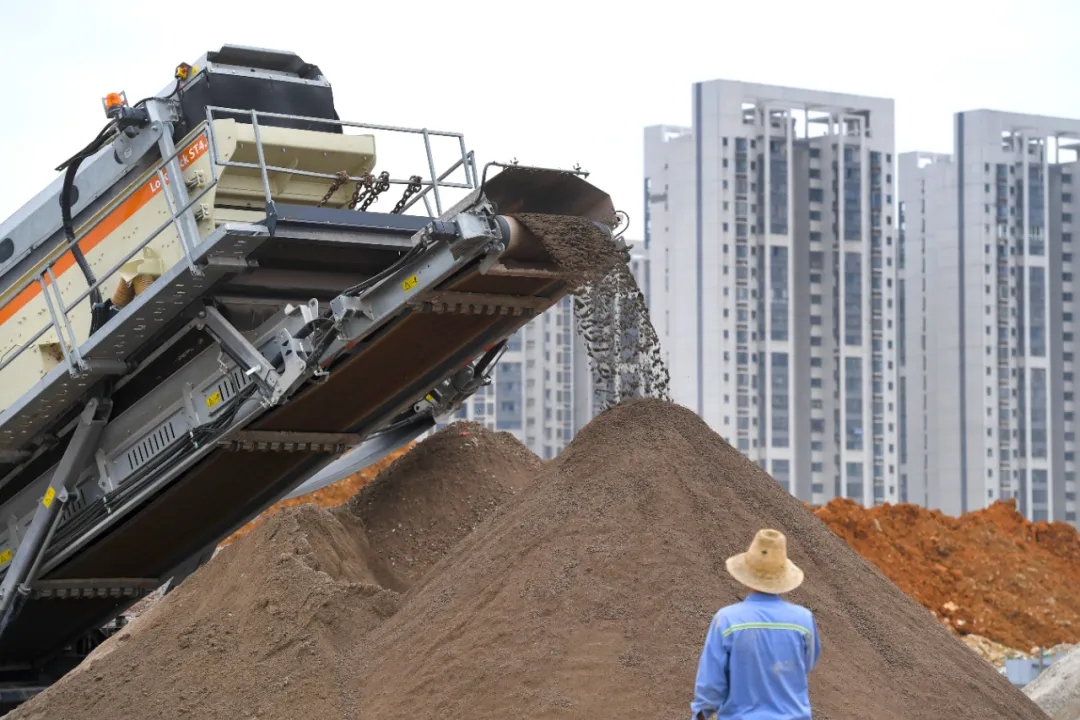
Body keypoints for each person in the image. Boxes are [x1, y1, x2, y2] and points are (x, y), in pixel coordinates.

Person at [690, 528, 821, 720]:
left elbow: (710, 685)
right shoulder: (803, 620)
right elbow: (806, 664)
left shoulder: (727, 620)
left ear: (747, 574)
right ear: (783, 576)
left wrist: (702, 714)